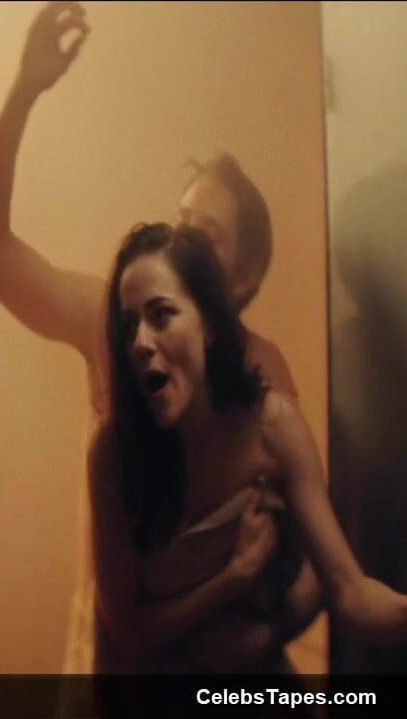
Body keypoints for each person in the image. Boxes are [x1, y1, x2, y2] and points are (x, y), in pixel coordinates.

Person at [0, 1, 305, 674]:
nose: (182, 243)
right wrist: (25, 88)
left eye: (207, 234)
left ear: (245, 276)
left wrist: (253, 647)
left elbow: (305, 555)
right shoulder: (112, 323)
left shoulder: (267, 373)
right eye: (180, 221)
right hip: (123, 663)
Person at [90, 223, 407, 673]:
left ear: (208, 324)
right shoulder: (114, 453)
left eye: (161, 315)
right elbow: (128, 630)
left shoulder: (271, 426)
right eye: (128, 326)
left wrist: (266, 633)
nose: (140, 343)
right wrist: (233, 577)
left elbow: (349, 593)